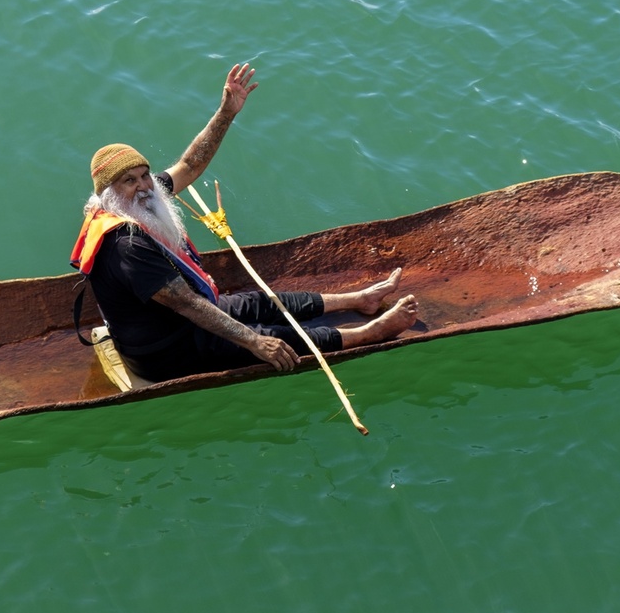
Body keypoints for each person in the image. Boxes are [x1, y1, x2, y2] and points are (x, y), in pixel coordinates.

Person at [70, 63, 419, 382]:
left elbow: (190, 165)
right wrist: (254, 341)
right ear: (110, 193)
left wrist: (226, 113)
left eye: (144, 175)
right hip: (164, 350)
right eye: (129, 181)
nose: (144, 186)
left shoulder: (142, 199)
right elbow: (187, 305)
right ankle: (369, 334)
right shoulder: (126, 245)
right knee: (270, 339)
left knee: (258, 303)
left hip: (178, 320)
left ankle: (359, 300)